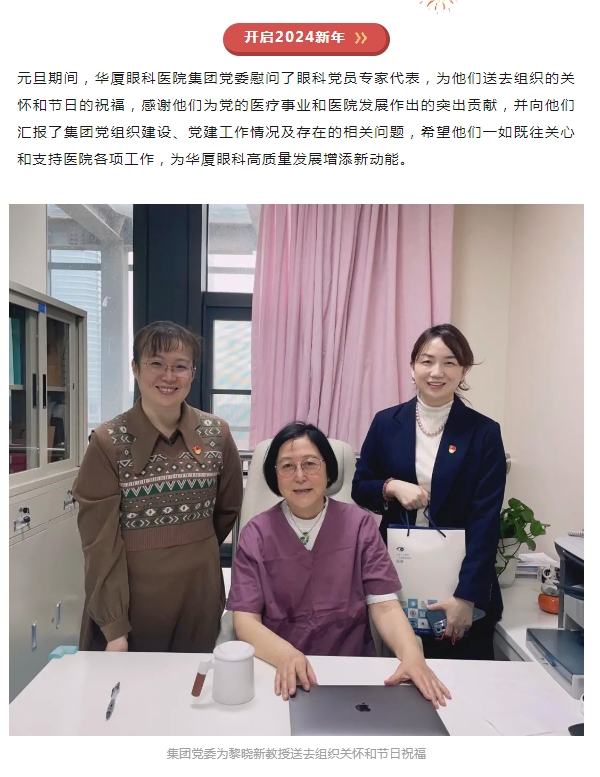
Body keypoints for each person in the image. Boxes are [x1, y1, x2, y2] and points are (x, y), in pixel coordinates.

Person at [227, 422, 451, 707]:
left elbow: (384, 605)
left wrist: (412, 657)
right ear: (275, 476)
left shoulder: (359, 525)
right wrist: (285, 654)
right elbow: (245, 620)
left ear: (328, 471)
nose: (300, 476)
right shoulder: (256, 533)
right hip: (278, 669)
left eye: (310, 464)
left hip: (351, 670)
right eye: (287, 466)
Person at [73, 321, 243, 653]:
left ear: (192, 373)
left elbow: (227, 509)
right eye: (156, 363)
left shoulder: (217, 434)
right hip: (132, 606)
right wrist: (114, 628)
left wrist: (194, 546)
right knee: (129, 686)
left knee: (196, 682)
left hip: (199, 599)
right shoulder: (108, 443)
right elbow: (99, 544)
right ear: (135, 368)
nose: (168, 376)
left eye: (180, 366)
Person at [351, 324, 507, 661]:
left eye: (449, 362)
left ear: (464, 370)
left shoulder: (484, 432)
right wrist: (390, 486)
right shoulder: (386, 423)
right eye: (427, 361)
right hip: (397, 574)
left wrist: (466, 596)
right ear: (412, 367)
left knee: (461, 679)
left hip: (459, 578)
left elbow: (485, 520)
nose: (437, 372)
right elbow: (360, 488)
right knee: (395, 675)